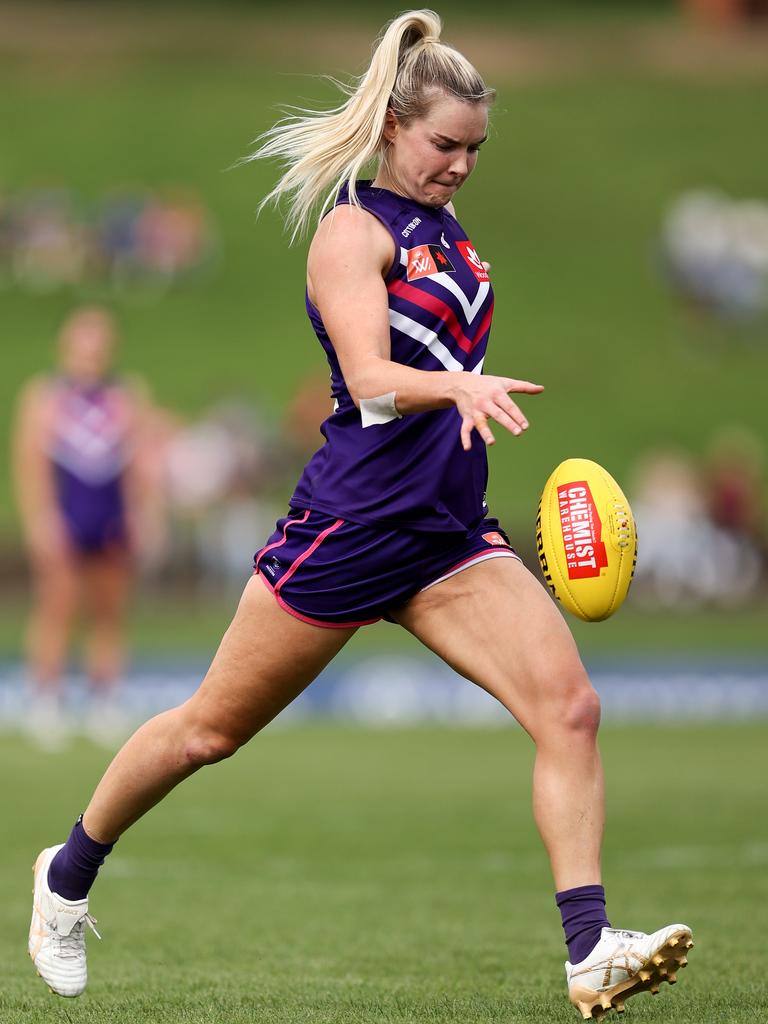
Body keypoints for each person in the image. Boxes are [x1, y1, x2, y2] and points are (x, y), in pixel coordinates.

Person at [27, 11, 693, 1018]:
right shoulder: (352, 230)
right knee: (208, 730)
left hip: (447, 535)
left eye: (474, 148)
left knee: (571, 710)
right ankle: (66, 876)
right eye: (444, 145)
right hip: (353, 525)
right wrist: (459, 389)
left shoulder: (454, 238)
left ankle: (589, 947)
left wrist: (459, 400)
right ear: (393, 127)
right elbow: (373, 377)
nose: (461, 165)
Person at [13, 306, 151, 746]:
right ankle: (45, 700)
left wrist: (140, 514)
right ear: (66, 343)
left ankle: (104, 699)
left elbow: (138, 463)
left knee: (109, 610)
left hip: (109, 513)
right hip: (66, 512)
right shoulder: (44, 395)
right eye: (83, 338)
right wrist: (40, 518)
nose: (92, 347)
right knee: (57, 606)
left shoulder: (126, 394)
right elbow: (29, 463)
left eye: (99, 338)